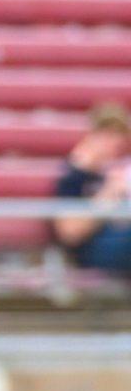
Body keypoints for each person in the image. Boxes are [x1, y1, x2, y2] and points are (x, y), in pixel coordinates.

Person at [53, 103, 131, 274]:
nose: (114, 142)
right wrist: (108, 194)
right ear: (91, 136)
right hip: (93, 251)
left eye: (119, 134)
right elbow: (70, 232)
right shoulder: (74, 175)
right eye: (107, 134)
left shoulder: (120, 170)